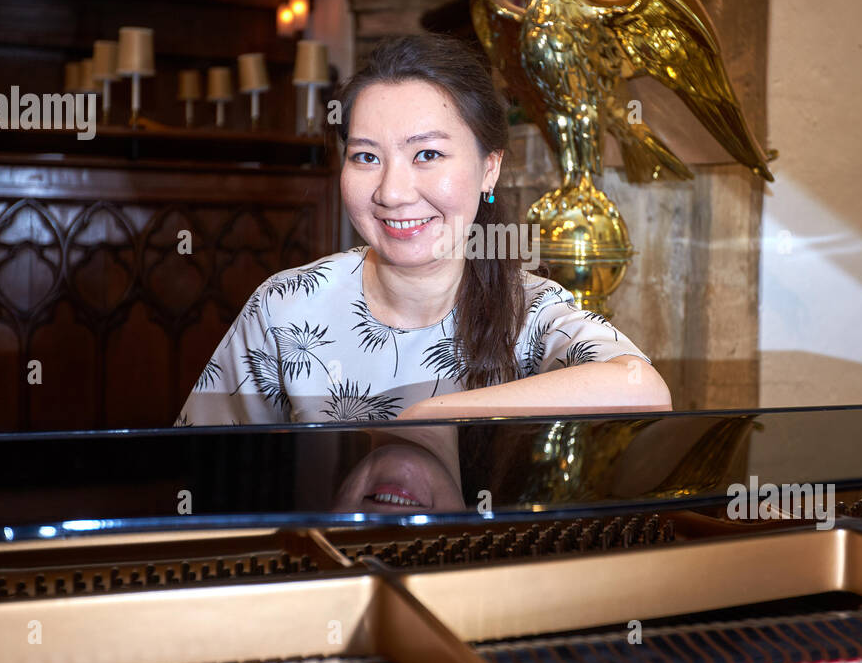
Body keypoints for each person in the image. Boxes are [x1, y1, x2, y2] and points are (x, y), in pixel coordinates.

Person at [175, 32, 671, 426]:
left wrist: (431, 417)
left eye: (427, 155)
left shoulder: (531, 311)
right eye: (366, 156)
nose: (392, 192)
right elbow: (204, 474)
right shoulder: (286, 307)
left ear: (489, 168)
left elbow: (641, 389)